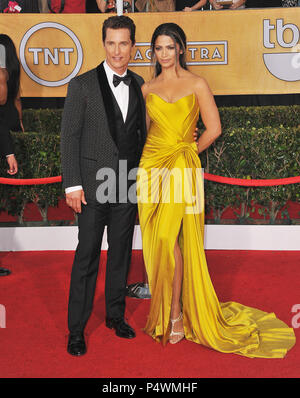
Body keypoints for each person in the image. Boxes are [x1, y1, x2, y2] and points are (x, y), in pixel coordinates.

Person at [137, 22, 296, 356]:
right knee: (156, 240)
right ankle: (166, 307)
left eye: (170, 47)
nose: (164, 54)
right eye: (158, 48)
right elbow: (145, 133)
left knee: (170, 238)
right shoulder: (146, 89)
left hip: (182, 166)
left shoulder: (197, 83)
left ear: (180, 48)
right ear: (154, 52)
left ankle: (176, 313)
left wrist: (189, 152)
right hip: (151, 169)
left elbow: (214, 127)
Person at [60, 15, 147, 356]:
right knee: (87, 256)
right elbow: (69, 137)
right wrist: (72, 186)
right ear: (103, 44)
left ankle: (115, 315)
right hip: (93, 186)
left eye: (123, 43)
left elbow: (143, 134)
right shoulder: (81, 85)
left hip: (126, 184)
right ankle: (76, 329)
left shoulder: (140, 83)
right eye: (111, 43)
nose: (116, 50)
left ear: (133, 47)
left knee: (121, 255)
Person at [0, 34, 23, 277]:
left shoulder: (5, 73)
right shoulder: (12, 69)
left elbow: (5, 97)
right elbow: (14, 100)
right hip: (8, 127)